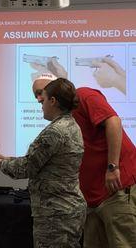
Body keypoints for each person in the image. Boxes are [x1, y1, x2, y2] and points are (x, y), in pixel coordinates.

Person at [32, 74, 136, 248]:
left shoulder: (84, 96)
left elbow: (114, 121)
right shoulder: (60, 124)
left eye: (40, 92)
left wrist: (112, 167)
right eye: (35, 95)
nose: (38, 99)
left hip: (117, 187)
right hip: (90, 199)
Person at [0, 76, 86, 248]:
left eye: (43, 99)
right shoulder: (71, 125)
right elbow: (39, 162)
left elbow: (26, 168)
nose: (40, 103)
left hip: (56, 215)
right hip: (67, 210)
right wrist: (5, 158)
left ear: (53, 101)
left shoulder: (55, 132)